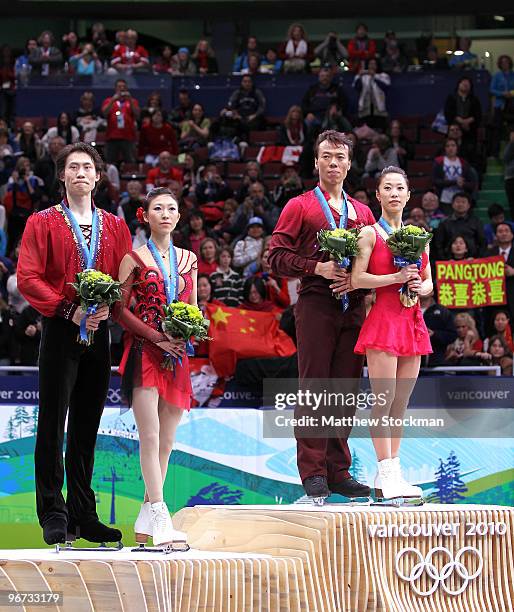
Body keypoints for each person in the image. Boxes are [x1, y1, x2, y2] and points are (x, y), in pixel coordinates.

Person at [16, 142, 132, 545]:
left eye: (88, 167)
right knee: (52, 424)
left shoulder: (116, 227)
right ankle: (52, 511)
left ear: (99, 177)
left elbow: (125, 281)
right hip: (60, 331)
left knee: (86, 426)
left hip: (99, 333)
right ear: (62, 175)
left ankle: (84, 514)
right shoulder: (42, 221)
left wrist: (107, 309)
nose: (81, 172)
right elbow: (28, 278)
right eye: (73, 167)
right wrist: (69, 311)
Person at [269, 130, 374, 501]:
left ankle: (338, 470)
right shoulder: (299, 206)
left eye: (340, 157)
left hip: (355, 306)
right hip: (316, 303)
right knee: (315, 386)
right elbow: (276, 257)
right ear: (315, 162)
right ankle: (312, 471)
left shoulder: (362, 212)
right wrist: (318, 268)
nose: (333, 163)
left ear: (349, 163)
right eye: (326, 156)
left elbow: (373, 259)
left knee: (345, 390)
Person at [116, 187, 195, 546]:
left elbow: (194, 309)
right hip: (144, 352)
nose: (165, 213)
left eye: (171, 208)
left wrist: (185, 335)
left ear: (179, 217)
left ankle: (147, 518)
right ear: (145, 216)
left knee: (167, 441)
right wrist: (155, 336)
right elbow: (119, 310)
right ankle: (162, 515)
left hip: (177, 354)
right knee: (149, 436)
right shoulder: (133, 258)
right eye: (157, 208)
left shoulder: (190, 259)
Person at [352, 166, 433, 502]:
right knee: (382, 402)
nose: (395, 193)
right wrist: (395, 278)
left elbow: (429, 282)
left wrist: (417, 284)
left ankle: (394, 473)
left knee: (400, 404)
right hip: (384, 320)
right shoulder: (368, 234)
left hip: (411, 320)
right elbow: (357, 279)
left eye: (400, 187)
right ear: (378, 195)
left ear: (409, 194)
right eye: (388, 188)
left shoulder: (418, 235)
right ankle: (385, 473)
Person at [101, 79, 140, 164]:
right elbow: (104, 113)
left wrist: (130, 100)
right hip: (112, 137)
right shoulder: (108, 101)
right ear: (115, 88)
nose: (122, 88)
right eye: (119, 87)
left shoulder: (133, 101)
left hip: (128, 137)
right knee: (110, 163)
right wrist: (113, 100)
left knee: (130, 163)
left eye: (124, 87)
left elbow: (137, 114)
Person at [353, 59, 390, 132]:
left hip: (379, 109)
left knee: (379, 130)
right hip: (365, 109)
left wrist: (374, 76)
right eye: (370, 64)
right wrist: (360, 76)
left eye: (374, 64)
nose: (372, 66)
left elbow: (385, 87)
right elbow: (357, 87)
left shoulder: (383, 76)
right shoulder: (362, 76)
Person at [490, 56, 514, 158]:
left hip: (512, 106)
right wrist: (502, 93)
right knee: (496, 129)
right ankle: (495, 153)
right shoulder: (497, 76)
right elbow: (491, 90)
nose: (505, 64)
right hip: (500, 105)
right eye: (503, 62)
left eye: (506, 62)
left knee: (511, 128)